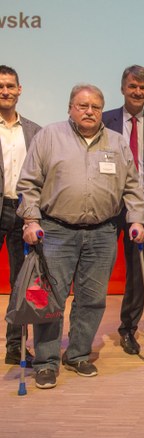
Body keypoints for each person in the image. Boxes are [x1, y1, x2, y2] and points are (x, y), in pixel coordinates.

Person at [17, 84, 144, 389]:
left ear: (103, 110)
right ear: (70, 108)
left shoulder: (116, 142)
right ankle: (46, 362)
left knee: (92, 299)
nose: (90, 112)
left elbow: (132, 186)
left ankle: (77, 355)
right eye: (83, 106)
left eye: (96, 107)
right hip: (56, 231)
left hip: (103, 233)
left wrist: (136, 219)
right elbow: (29, 182)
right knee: (50, 300)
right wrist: (31, 220)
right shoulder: (49, 136)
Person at [103, 65, 144, 355]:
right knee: (98, 266)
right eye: (133, 87)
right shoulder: (105, 120)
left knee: (136, 269)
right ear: (122, 88)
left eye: (143, 88)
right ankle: (86, 326)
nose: (138, 92)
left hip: (141, 205)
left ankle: (128, 329)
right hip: (107, 202)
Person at [0, 65, 41, 368]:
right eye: (0, 86)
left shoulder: (34, 131)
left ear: (20, 90)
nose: (5, 91)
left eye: (10, 86)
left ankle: (15, 347)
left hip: (21, 211)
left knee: (19, 282)